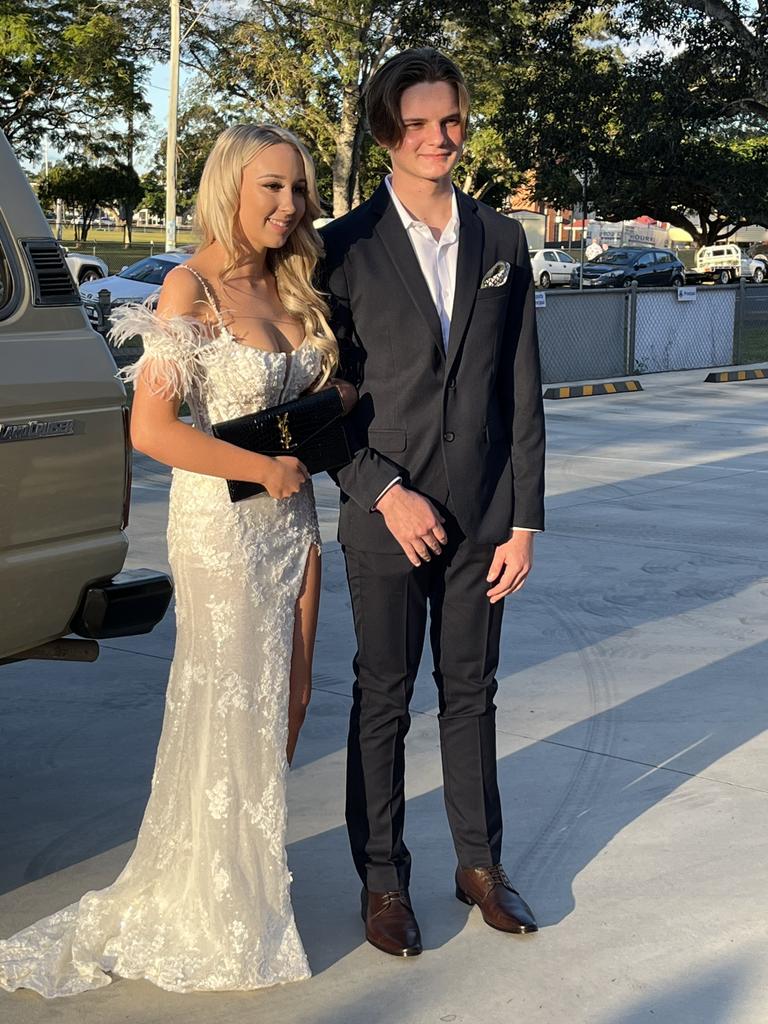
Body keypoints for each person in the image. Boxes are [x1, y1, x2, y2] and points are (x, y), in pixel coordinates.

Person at [0, 124, 353, 998]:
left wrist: (329, 405)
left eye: (299, 190)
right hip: (223, 529)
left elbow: (302, 404)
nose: (289, 205)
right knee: (229, 702)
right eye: (272, 187)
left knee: (293, 693)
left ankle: (249, 874)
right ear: (231, 185)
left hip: (294, 520)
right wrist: (261, 466)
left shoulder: (294, 281)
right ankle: (211, 903)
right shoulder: (190, 287)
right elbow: (152, 429)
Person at [320, 48, 546, 958]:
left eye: (449, 120)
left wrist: (524, 519)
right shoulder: (339, 246)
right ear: (386, 131)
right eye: (417, 124)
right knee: (382, 697)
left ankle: (479, 865)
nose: (438, 138)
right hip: (386, 518)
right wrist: (384, 493)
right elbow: (322, 407)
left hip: (484, 515)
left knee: (472, 694)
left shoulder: (502, 240)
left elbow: (519, 388)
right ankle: (382, 880)